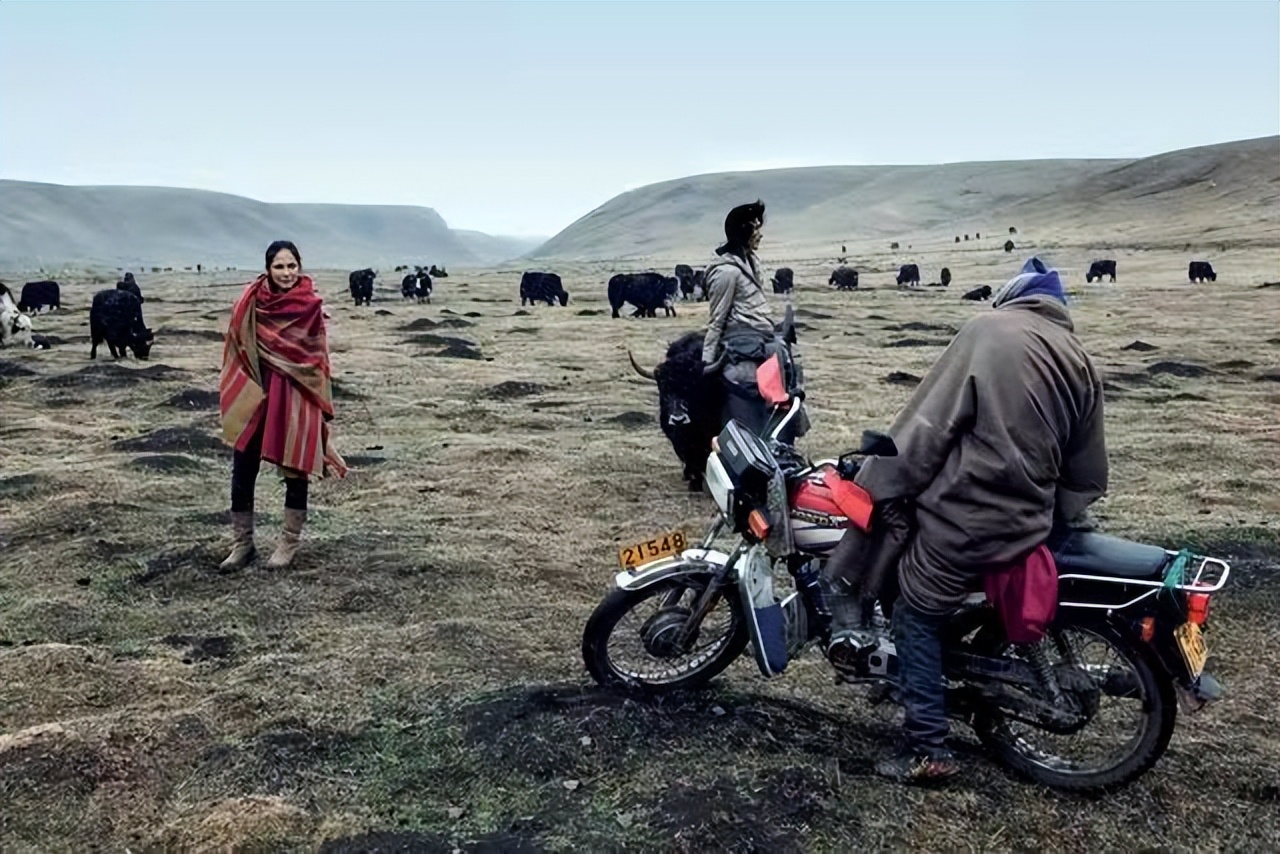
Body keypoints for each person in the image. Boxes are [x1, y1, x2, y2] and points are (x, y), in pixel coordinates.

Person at [839, 257, 1108, 783]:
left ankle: (928, 748)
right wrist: (1055, 518)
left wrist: (878, 480)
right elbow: (1087, 469)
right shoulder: (1077, 357)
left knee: (914, 612)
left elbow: (926, 428)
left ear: (1011, 295)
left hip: (968, 518)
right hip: (1027, 519)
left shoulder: (986, 330)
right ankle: (919, 676)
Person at [218, 240, 347, 571]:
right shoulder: (249, 303)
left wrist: (318, 402)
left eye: (292, 266)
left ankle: (288, 543)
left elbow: (317, 360)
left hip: (295, 392)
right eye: (280, 266)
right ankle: (242, 545)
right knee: (243, 468)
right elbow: (236, 345)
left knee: (295, 470)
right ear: (268, 269)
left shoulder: (309, 307)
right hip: (256, 392)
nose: (287, 273)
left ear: (299, 267)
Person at [702, 200, 802, 438]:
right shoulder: (726, 272)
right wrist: (707, 360)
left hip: (764, 340)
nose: (760, 234)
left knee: (791, 381)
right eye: (755, 228)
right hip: (741, 344)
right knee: (746, 393)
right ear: (743, 232)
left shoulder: (753, 262)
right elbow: (717, 318)